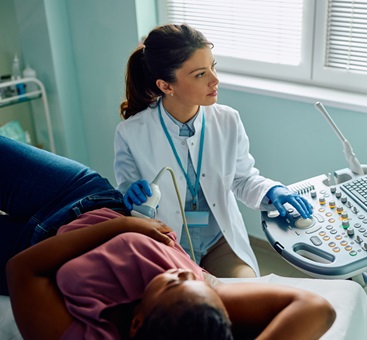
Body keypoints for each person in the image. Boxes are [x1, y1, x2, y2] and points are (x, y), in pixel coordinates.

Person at [2, 138, 336, 339]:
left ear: (137, 322)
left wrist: (123, 228)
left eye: (174, 282)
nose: (187, 272)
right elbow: (317, 309)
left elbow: (22, 270)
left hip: (31, 243)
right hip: (86, 195)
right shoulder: (202, 308)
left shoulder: (91, 337)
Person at [114, 24, 314, 278]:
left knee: (247, 293)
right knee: (190, 308)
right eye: (200, 74)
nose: (215, 79)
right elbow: (127, 193)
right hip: (167, 243)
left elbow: (243, 179)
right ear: (166, 86)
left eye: (213, 66)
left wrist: (272, 190)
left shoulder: (228, 120)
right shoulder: (131, 132)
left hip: (218, 241)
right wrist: (130, 195)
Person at [0, 135, 128, 296]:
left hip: (40, 259)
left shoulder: (98, 317)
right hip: (85, 197)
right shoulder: (167, 258)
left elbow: (17, 267)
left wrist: (126, 225)